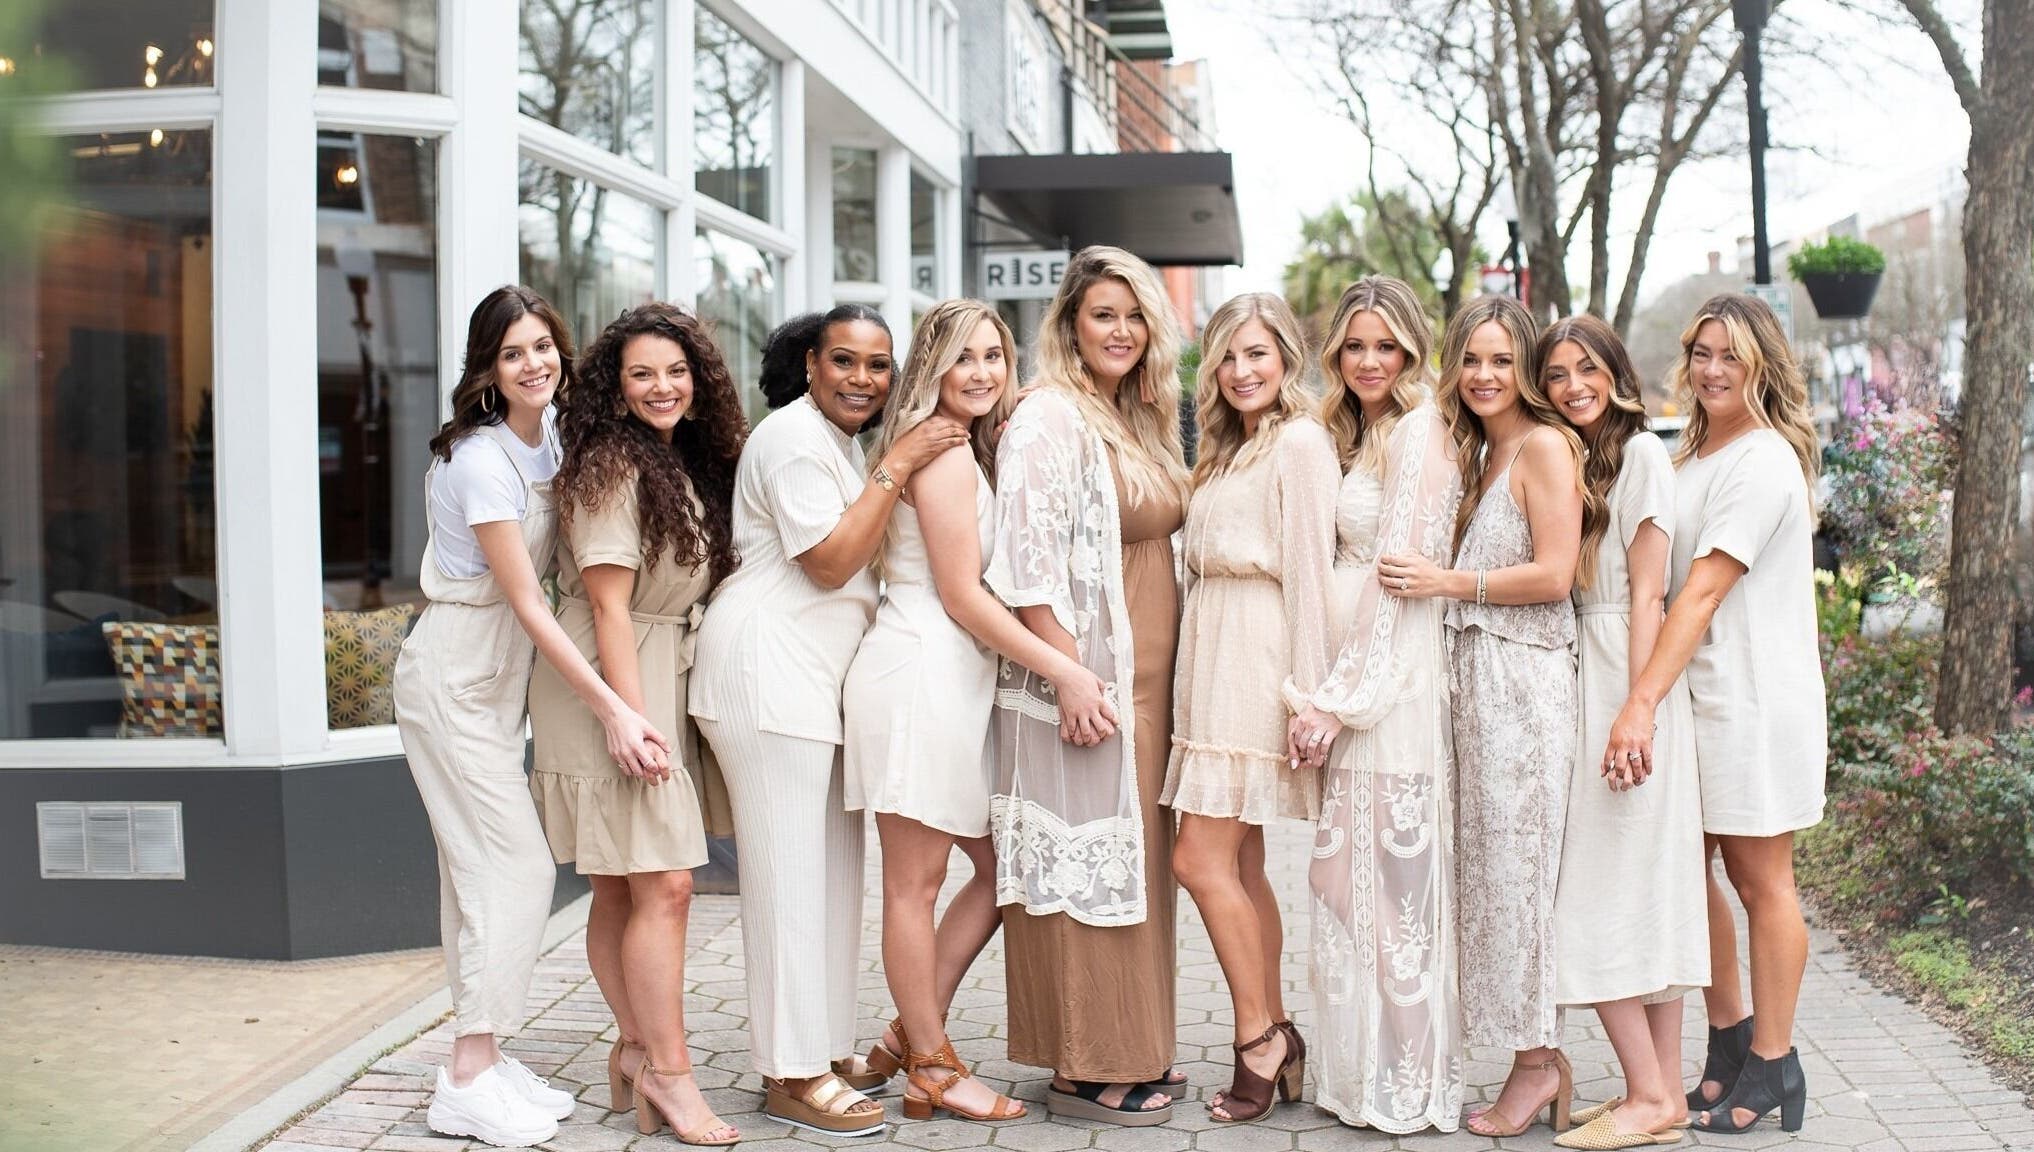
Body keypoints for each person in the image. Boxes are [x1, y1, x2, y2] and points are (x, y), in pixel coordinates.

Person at [394, 286, 669, 1149]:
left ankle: (480, 1057)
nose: (534, 364)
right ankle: (467, 1077)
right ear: (487, 367)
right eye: (513, 353)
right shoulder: (480, 459)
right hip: (455, 676)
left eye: (543, 346)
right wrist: (617, 710)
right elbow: (529, 603)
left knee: (475, 871)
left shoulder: (546, 434)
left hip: (491, 682)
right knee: (512, 871)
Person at [689, 305, 968, 1137]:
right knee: (785, 878)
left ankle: (824, 1045)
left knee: (833, 872)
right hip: (767, 674)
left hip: (818, 686)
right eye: (843, 361)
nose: (861, 378)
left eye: (877, 366)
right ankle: (789, 1071)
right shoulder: (790, 438)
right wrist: (903, 462)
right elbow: (830, 563)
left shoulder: (839, 445)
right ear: (808, 365)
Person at [844, 299, 1115, 1123]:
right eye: (963, 357)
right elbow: (962, 594)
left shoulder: (970, 445)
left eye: (995, 356)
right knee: (914, 886)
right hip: (920, 671)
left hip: (956, 680)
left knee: (999, 872)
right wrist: (1066, 671)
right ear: (932, 363)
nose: (982, 372)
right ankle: (930, 1065)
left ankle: (902, 1035)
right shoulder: (944, 455)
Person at [1602, 294, 1826, 1136]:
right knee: (1688, 873)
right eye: (1700, 352)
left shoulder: (1762, 460)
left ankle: (1774, 1061)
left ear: (1762, 363)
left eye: (1730, 355)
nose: (1711, 369)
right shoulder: (1694, 451)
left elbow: (1700, 591)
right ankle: (1729, 1039)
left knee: (1762, 879)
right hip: (1699, 699)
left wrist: (1638, 703)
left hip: (1755, 701)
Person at [528, 303, 747, 1145]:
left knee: (627, 884)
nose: (664, 386)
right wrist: (626, 716)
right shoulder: (613, 468)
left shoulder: (671, 461)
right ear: (615, 393)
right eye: (643, 374)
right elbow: (611, 609)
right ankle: (670, 1074)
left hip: (652, 675)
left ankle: (634, 1050)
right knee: (665, 884)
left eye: (676, 371)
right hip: (613, 684)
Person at [985, 245, 1187, 1127]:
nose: (1121, 330)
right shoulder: (1049, 418)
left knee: (1134, 868)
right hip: (1090, 682)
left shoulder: (1130, 415)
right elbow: (1024, 565)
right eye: (1103, 314)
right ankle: (1085, 1066)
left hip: (1148, 682)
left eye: (1135, 315)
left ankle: (1133, 1044)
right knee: (1086, 866)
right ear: (1070, 324)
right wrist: (1068, 675)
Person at [1376, 294, 1583, 1138]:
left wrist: (1448, 583)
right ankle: (1537, 1060)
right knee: (1488, 879)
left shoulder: (1543, 447)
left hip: (1525, 691)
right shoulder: (1472, 453)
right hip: (1473, 687)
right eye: (1472, 360)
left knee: (1520, 880)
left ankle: (1535, 1067)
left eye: (1502, 360)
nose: (1486, 375)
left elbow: (1557, 574)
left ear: (1525, 366)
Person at [1286, 275, 1465, 1133]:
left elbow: (1400, 585)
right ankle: (1380, 1064)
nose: (1368, 361)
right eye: (1354, 345)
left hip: (1395, 676)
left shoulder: (1424, 429)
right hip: (1357, 668)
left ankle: (1414, 1071)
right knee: (1350, 877)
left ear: (1412, 351)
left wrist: (1336, 703)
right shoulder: (1354, 431)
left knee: (1384, 884)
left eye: (1385, 346)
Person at [1162, 291, 1336, 1122]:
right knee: (1241, 864)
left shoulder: (1300, 441)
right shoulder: (1230, 447)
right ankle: (1279, 1028)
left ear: (1286, 358)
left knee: (1196, 860)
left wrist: (1309, 697)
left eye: (1257, 354)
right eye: (1227, 356)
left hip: (1258, 659)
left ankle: (1255, 1036)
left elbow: (1310, 574)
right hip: (1213, 652)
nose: (1241, 371)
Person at [1537, 314, 1707, 1150]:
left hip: (1626, 682)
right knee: (1640, 889)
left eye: (1586, 370)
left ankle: (1646, 1090)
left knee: (1596, 897)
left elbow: (1649, 595)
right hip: (1599, 682)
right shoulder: (1578, 457)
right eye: (1558, 374)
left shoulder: (1639, 455)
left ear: (1616, 372)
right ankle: (1663, 1095)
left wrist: (1636, 707)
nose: (1573, 386)